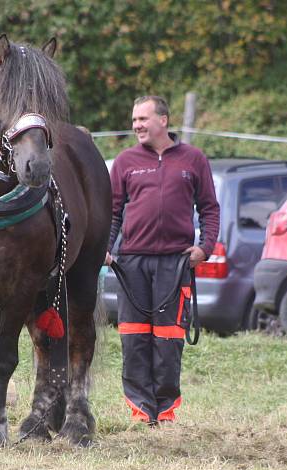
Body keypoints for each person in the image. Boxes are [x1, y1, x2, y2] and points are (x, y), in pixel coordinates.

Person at [105, 95, 219, 424]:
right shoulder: (125, 161)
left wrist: (205, 248)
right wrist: (107, 247)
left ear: (163, 120)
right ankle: (141, 410)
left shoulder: (193, 159)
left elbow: (210, 208)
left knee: (168, 338)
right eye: (134, 120)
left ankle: (165, 410)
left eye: (143, 118)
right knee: (134, 335)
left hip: (176, 262)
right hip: (132, 264)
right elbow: (113, 211)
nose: (137, 125)